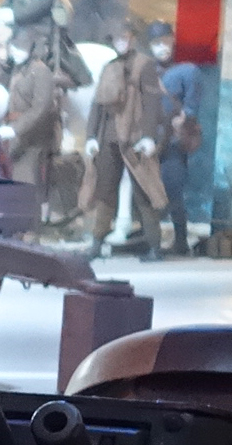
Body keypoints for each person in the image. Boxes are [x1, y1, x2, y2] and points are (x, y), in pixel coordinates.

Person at [83, 18, 167, 263]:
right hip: (109, 137)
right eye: (118, 39)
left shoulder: (144, 65)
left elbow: (151, 102)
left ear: (133, 39)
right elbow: (98, 105)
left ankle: (155, 246)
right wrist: (91, 135)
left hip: (134, 137)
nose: (122, 42)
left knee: (143, 191)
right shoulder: (109, 67)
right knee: (105, 190)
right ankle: (96, 243)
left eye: (125, 38)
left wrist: (149, 136)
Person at [0, 30, 61, 226]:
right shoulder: (18, 69)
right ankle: (19, 223)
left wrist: (16, 129)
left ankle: (30, 228)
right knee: (15, 178)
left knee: (28, 180)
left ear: (31, 49)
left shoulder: (40, 71)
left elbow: (41, 108)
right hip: (16, 132)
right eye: (14, 47)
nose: (16, 52)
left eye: (21, 48)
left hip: (34, 136)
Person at [151, 21, 203, 257]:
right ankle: (151, 239)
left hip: (172, 141)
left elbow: (192, 104)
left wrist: (185, 118)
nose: (162, 47)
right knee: (148, 191)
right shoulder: (147, 71)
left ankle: (180, 240)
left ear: (172, 41)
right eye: (156, 43)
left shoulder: (187, 71)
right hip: (150, 139)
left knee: (173, 190)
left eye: (165, 41)